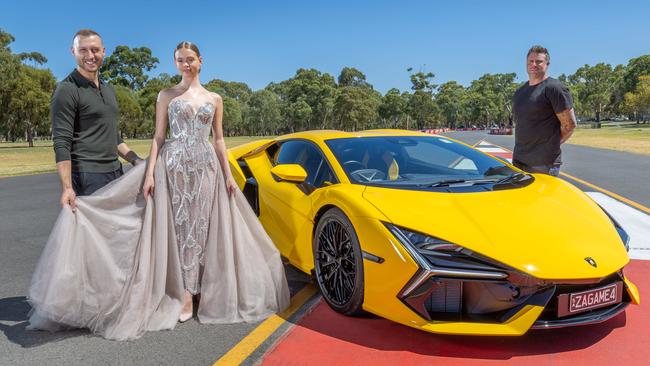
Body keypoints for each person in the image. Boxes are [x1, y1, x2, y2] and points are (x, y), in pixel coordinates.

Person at [27, 41, 290, 340]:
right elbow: (158, 136)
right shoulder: (166, 95)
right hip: (173, 168)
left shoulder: (214, 98)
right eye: (180, 60)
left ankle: (203, 288)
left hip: (206, 169)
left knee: (204, 227)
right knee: (178, 229)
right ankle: (183, 293)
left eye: (190, 59)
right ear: (175, 62)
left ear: (201, 61)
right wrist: (149, 171)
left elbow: (218, 140)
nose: (185, 64)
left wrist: (229, 175)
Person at [52, 29, 142, 208]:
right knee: (93, 234)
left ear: (103, 51)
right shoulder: (67, 89)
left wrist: (136, 160)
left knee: (117, 231)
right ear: (73, 52)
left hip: (116, 172)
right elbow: (61, 142)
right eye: (83, 50)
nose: (90, 55)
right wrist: (67, 187)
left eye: (94, 50)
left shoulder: (108, 90)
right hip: (87, 176)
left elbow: (112, 136)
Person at [512, 45, 577, 176]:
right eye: (531, 61)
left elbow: (569, 125)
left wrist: (549, 145)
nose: (534, 64)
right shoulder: (519, 92)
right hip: (519, 161)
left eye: (539, 61)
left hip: (544, 164)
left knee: (543, 197)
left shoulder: (554, 88)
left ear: (547, 64)